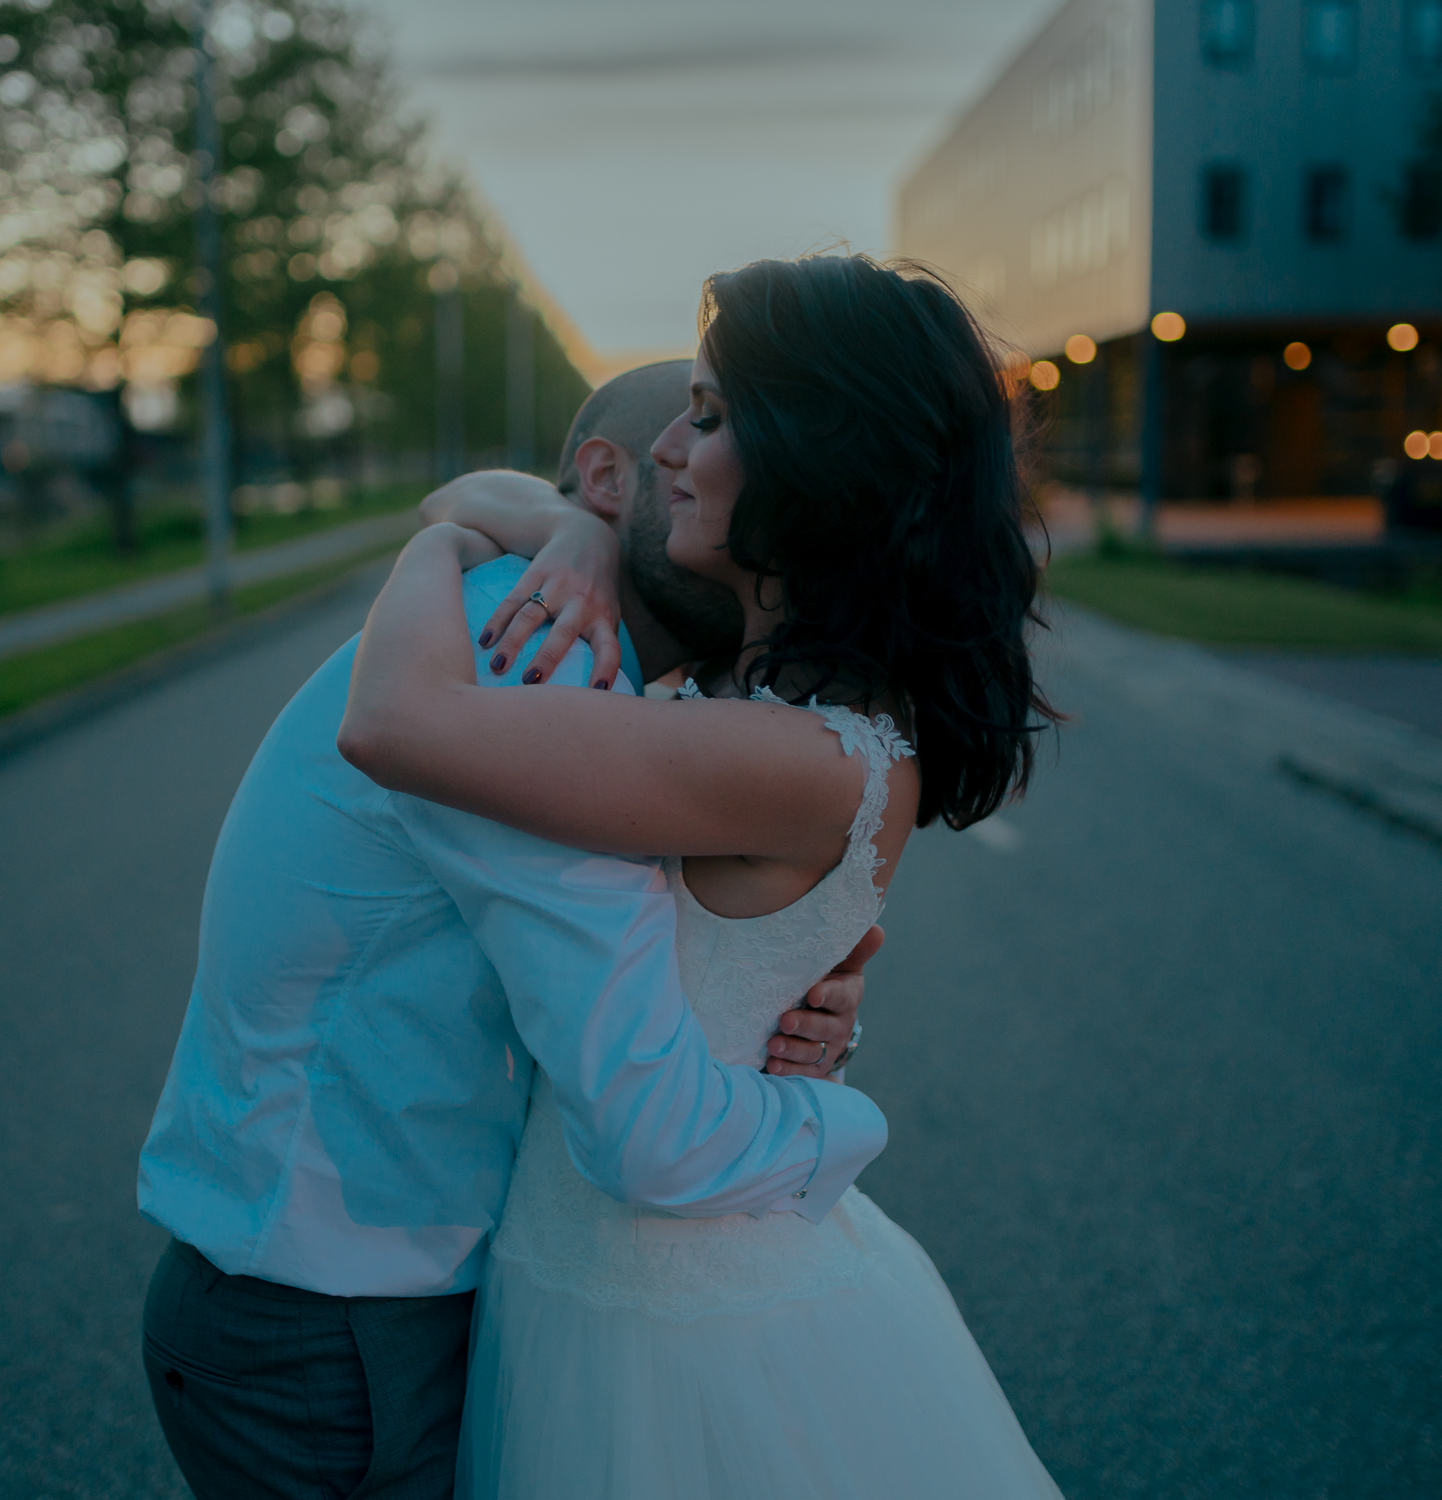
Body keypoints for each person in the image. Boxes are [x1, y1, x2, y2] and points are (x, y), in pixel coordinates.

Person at [340, 253, 1063, 1498]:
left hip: (662, 1305)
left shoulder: (775, 751)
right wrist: (570, 521)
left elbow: (395, 723)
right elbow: (491, 481)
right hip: (624, 1260)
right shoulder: (776, 705)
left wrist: (438, 552)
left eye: (713, 415)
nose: (669, 442)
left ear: (815, 459)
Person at [134, 360, 887, 1500]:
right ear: (609, 478)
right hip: (334, 1323)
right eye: (690, 433)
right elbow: (645, 1121)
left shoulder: (563, 657)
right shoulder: (535, 661)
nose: (702, 465)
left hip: (355, 1287)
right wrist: (838, 1121)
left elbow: (593, 976)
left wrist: (768, 1001)